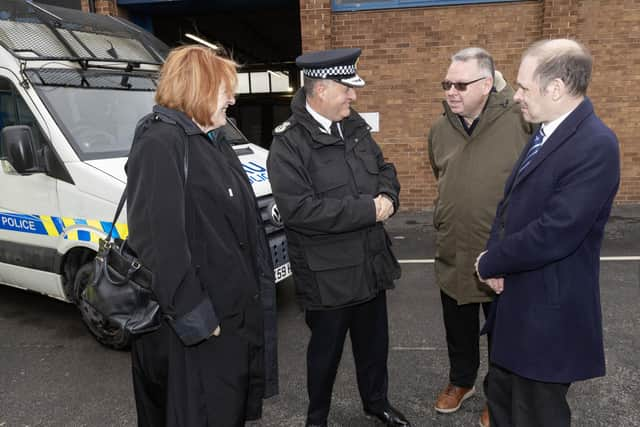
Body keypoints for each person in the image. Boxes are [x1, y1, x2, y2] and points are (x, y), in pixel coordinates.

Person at [125, 45, 278, 427]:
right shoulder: (160, 143)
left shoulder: (214, 141)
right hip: (198, 331)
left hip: (230, 324)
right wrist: (199, 319)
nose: (233, 97)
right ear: (198, 89)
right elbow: (159, 244)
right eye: (225, 88)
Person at [475, 39, 620, 427]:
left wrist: (490, 260)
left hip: (548, 322)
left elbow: (556, 232)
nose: (517, 96)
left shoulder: (595, 145)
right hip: (515, 312)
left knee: (536, 416)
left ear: (555, 88)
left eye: (523, 87)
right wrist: (494, 260)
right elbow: (510, 207)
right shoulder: (545, 132)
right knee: (503, 406)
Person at [267, 48, 410, 427]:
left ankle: (376, 403)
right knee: (325, 355)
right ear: (321, 89)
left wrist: (389, 197)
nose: (354, 96)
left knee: (374, 347)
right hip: (327, 276)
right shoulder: (288, 144)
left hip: (370, 263)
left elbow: (385, 168)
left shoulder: (354, 126)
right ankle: (317, 418)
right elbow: (301, 211)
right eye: (347, 89)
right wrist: (370, 210)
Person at [427, 47, 532, 426]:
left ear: (486, 84)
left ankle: (497, 395)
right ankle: (461, 381)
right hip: (453, 247)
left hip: (500, 253)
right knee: (457, 324)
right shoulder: (440, 129)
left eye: (460, 84)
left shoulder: (520, 121)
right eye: (446, 84)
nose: (450, 91)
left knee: (503, 330)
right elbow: (440, 174)